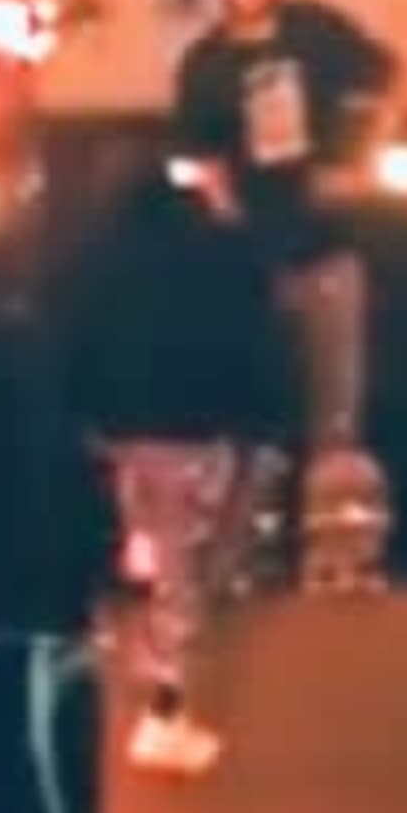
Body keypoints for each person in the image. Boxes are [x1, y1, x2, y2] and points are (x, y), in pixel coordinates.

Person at [59, 162, 280, 775]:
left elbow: (72, 343)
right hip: (194, 436)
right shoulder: (218, 260)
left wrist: (86, 421)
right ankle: (163, 707)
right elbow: (254, 333)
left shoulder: (95, 263)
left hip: (123, 436)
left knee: (147, 562)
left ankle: (138, 681)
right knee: (184, 578)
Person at [167, 0, 401, 488]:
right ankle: (255, 523)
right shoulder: (206, 63)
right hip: (249, 254)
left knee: (337, 396)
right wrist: (224, 210)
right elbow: (198, 154)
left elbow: (388, 78)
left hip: (326, 238)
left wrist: (361, 160)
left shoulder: (314, 31)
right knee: (260, 398)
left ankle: (334, 515)